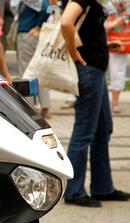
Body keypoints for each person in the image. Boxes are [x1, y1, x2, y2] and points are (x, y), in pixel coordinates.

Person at [60, 0, 130, 207]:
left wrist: (103, 45)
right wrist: (74, 53)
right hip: (89, 70)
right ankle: (73, 191)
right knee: (84, 132)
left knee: (102, 130)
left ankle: (102, 187)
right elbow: (66, 22)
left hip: (95, 69)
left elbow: (86, 30)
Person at [16, 0, 55, 120]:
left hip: (27, 35)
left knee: (26, 72)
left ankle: (28, 108)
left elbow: (46, 8)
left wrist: (38, 27)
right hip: (33, 37)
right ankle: (45, 107)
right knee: (39, 72)